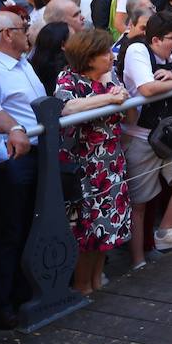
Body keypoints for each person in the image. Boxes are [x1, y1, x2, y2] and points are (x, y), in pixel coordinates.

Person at [117, 11, 172, 269]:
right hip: (140, 137)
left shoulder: (170, 52)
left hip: (167, 135)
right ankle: (137, 262)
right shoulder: (138, 50)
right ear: (155, 39)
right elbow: (147, 88)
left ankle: (165, 232)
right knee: (140, 203)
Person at [0, 12, 42, 329]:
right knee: (7, 234)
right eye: (22, 28)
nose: (28, 31)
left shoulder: (23, 64)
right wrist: (4, 160)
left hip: (30, 152)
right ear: (5, 35)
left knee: (26, 227)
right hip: (8, 162)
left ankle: (20, 292)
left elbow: (6, 113)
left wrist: (16, 130)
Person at [54, 29, 131, 295]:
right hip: (84, 166)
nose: (111, 57)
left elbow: (129, 109)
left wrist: (115, 90)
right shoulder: (69, 79)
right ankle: (82, 285)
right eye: (105, 53)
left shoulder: (109, 76)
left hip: (111, 163)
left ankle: (97, 280)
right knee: (86, 230)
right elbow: (66, 107)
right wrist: (109, 98)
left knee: (106, 226)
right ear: (88, 57)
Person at [29, 21, 70, 95]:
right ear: (63, 45)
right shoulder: (68, 74)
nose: (79, 41)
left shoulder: (33, 69)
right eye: (75, 38)